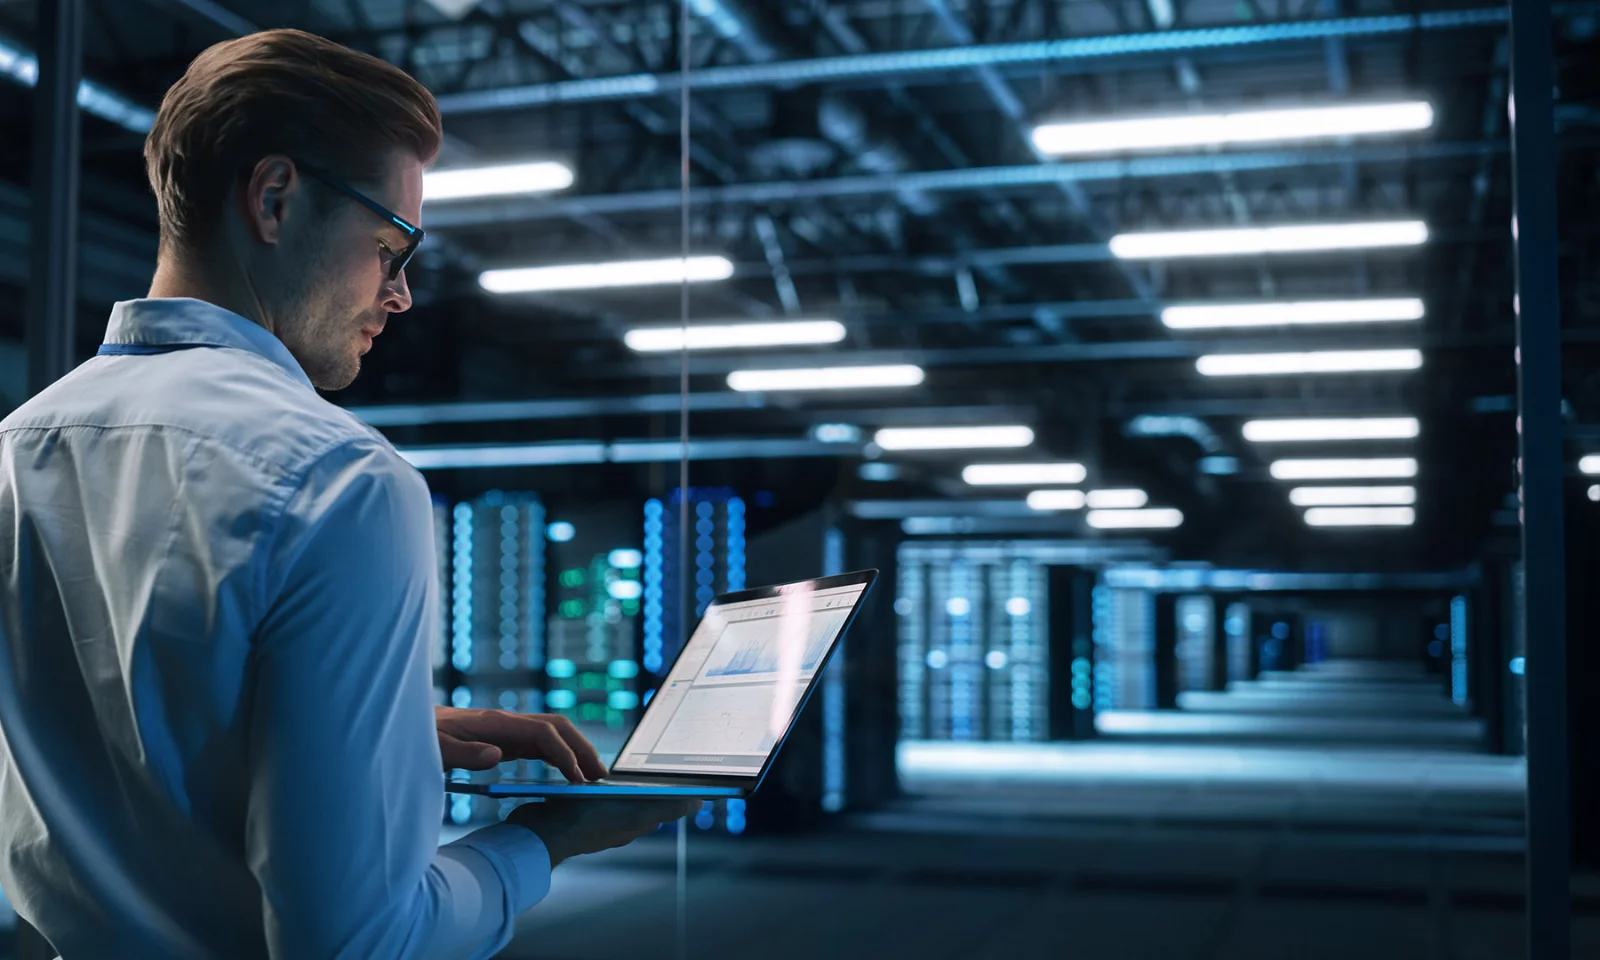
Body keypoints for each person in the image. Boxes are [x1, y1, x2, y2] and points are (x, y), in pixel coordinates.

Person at [0, 28, 695, 959]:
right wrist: (545, 841)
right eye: (389, 246)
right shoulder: (342, 480)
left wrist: (374, 738)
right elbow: (357, 944)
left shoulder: (17, 447)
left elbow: (123, 737)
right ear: (276, 199)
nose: (400, 295)